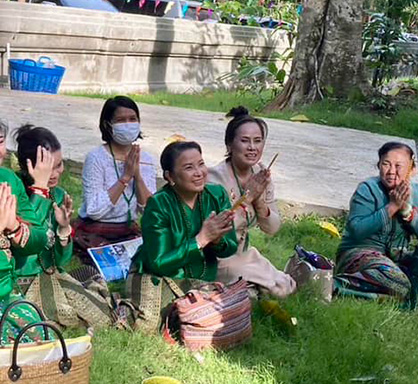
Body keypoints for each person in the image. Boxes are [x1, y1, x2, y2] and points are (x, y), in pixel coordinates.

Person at [12, 125, 112, 329]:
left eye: (59, 165)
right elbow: (24, 246)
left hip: (49, 276)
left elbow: (60, 262)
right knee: (58, 314)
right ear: (29, 167)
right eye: (49, 168)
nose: (56, 173)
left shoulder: (57, 195)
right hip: (20, 280)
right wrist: (38, 192)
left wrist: (64, 230)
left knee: (99, 309)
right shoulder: (14, 194)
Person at [206, 107, 295, 297]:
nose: (252, 147)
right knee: (271, 291)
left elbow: (272, 229)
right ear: (229, 146)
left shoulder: (261, 174)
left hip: (245, 254)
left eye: (258, 141)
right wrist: (248, 198)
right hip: (219, 258)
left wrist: (260, 202)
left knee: (285, 287)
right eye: (245, 141)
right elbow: (220, 230)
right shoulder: (214, 180)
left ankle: (248, 288)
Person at [335, 141, 418, 301]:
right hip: (360, 253)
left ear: (412, 169)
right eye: (386, 164)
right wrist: (392, 207)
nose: (391, 171)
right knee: (399, 283)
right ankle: (335, 286)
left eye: (398, 166)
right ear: (379, 165)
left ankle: (374, 289)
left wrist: (407, 211)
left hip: (397, 258)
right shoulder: (368, 189)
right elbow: (357, 230)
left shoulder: (417, 192)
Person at [131, 141, 238, 288]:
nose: (199, 172)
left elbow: (231, 248)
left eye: (201, 164)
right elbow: (158, 263)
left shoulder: (217, 194)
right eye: (189, 167)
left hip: (205, 279)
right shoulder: (158, 204)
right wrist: (201, 240)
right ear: (170, 176)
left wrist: (217, 241)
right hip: (160, 281)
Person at [73, 96, 157, 263]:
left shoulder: (146, 158)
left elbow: (150, 210)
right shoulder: (96, 158)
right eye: (120, 120)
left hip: (127, 230)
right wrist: (125, 177)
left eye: (132, 119)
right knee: (103, 260)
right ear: (107, 125)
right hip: (95, 229)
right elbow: (94, 210)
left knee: (149, 257)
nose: (128, 124)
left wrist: (137, 175)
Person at [0, 159, 49, 344]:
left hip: (5, 296)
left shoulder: (7, 179)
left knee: (43, 345)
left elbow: (39, 237)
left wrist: (14, 227)